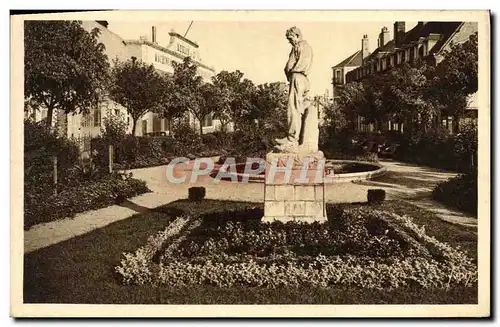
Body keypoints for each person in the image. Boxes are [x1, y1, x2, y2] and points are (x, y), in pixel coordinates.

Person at [275, 26, 313, 151]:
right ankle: (298, 138)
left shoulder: (299, 46)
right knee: (301, 107)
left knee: (293, 108)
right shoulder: (307, 47)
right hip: (303, 79)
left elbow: (289, 66)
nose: (290, 42)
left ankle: (292, 139)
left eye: (290, 39)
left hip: (297, 77)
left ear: (297, 36)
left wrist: (289, 74)